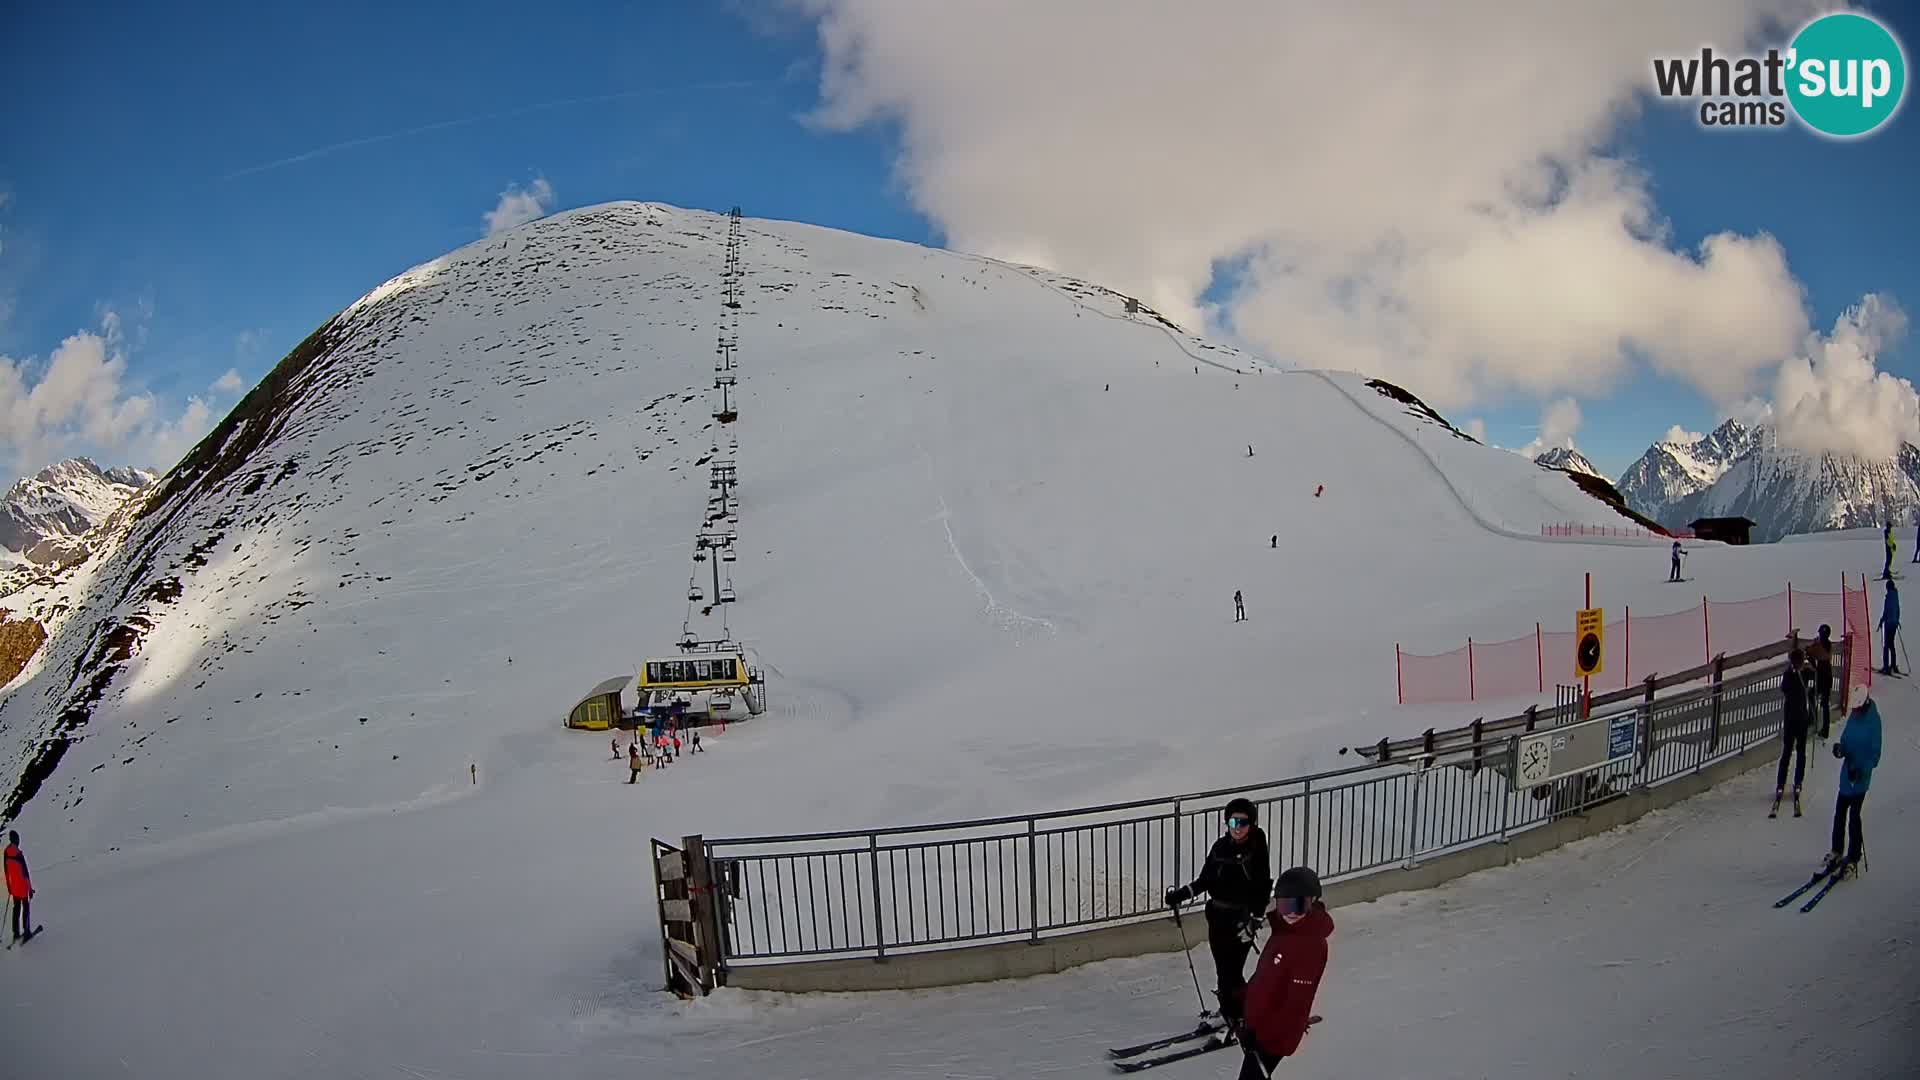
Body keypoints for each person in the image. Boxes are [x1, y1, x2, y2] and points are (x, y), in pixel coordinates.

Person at [1165, 798, 1272, 1030]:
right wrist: (1181, 894)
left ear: (1252, 824)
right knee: (1222, 970)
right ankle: (1230, 1012)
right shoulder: (1219, 848)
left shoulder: (1256, 849)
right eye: (1233, 821)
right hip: (1217, 918)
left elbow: (1263, 886)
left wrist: (1255, 919)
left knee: (1231, 972)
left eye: (1243, 822)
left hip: (1241, 921)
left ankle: (1239, 1016)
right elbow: (1205, 880)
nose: (1238, 826)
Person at [1236, 866, 1332, 1079]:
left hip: (1273, 1037)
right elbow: (1267, 979)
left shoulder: (1311, 945)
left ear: (1313, 902)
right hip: (1259, 1027)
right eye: (1284, 905)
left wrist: (1259, 1034)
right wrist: (1245, 1002)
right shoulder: (1285, 932)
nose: (1290, 913)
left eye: (1298, 906)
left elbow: (1294, 1004)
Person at [1824, 687, 1883, 877]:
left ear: (1865, 704)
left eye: (1857, 709)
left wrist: (1861, 769)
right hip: (1847, 775)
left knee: (1854, 817)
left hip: (1860, 778)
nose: (1854, 712)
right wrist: (1841, 749)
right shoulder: (1854, 716)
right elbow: (1846, 739)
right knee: (1840, 813)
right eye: (1853, 709)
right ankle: (1837, 851)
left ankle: (1854, 856)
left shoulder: (1874, 722)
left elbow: (1874, 755)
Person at [1772, 648, 1810, 817]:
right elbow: (1785, 688)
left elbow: (1813, 680)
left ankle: (1798, 782)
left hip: (1801, 719)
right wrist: (1793, 673)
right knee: (1787, 753)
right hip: (1791, 720)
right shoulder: (1789, 675)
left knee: (1801, 752)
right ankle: (1781, 783)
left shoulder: (1804, 674)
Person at [1808, 625, 1836, 739]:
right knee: (1821, 701)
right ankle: (1822, 726)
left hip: (1823, 678)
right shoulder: (1827, 644)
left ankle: (1816, 722)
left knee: (1819, 699)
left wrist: (1813, 646)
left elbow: (1811, 652)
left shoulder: (1823, 646)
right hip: (1825, 677)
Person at [4, 831, 32, 942]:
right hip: (23, 887)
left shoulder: (6, 853)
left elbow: (6, 872)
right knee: (26, 908)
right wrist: (30, 889)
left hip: (14, 887)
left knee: (16, 908)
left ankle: (15, 932)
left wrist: (9, 887)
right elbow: (25, 873)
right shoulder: (18, 854)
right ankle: (26, 931)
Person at [1878, 580, 1900, 675]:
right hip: (1894, 623)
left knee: (1886, 645)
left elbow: (1887, 610)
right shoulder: (1895, 596)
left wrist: (1882, 620)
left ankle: (1886, 667)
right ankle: (1893, 665)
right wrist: (1897, 620)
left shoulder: (1889, 597)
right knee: (1891, 644)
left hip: (1889, 624)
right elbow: (1898, 609)